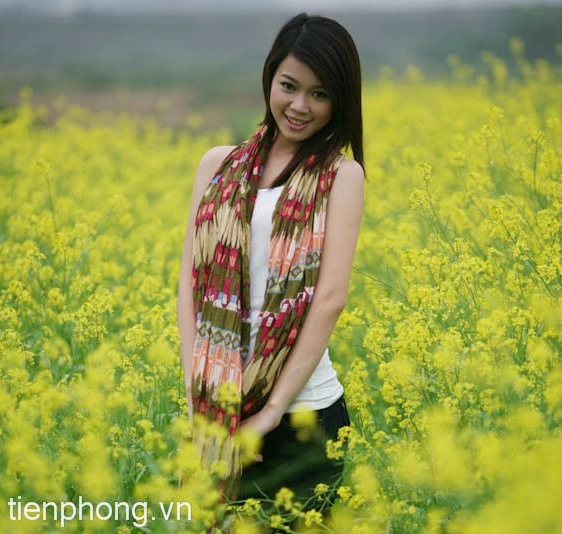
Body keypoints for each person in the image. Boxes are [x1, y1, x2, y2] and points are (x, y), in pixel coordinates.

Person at [177, 11, 365, 533]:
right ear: (270, 78)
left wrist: (268, 414)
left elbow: (330, 299)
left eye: (319, 94)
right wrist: (200, 404)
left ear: (340, 100)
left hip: (302, 416)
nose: (300, 106)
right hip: (218, 407)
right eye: (289, 86)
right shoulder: (217, 164)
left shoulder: (342, 176)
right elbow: (190, 287)